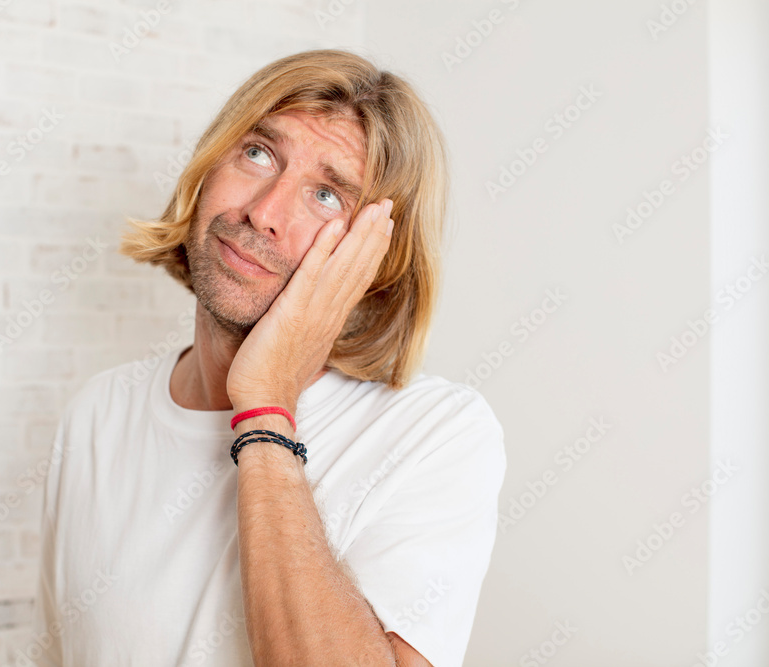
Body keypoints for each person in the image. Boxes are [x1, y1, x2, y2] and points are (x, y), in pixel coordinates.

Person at [31, 48, 506, 667]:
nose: (264, 212)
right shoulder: (96, 415)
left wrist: (266, 407)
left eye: (327, 195)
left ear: (377, 262)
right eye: (258, 153)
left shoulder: (439, 434)